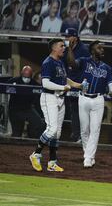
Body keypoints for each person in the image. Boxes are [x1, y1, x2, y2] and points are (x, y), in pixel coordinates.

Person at [29, 38, 81, 172]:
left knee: (57, 134)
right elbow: (45, 83)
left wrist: (76, 85)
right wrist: (63, 87)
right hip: (49, 97)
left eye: (64, 46)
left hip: (59, 99)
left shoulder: (60, 62)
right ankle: (36, 154)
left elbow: (64, 79)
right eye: (61, 46)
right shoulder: (48, 62)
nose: (64, 48)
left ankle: (52, 162)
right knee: (52, 129)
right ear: (54, 48)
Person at [67, 40, 112, 168]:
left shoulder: (106, 67)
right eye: (99, 48)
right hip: (83, 98)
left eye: (102, 48)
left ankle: (88, 158)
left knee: (95, 130)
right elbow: (72, 63)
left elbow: (110, 82)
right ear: (93, 51)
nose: (102, 50)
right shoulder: (84, 61)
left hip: (98, 100)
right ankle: (88, 155)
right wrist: (70, 50)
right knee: (84, 130)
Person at [62, 28, 90, 142]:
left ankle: (82, 136)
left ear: (75, 37)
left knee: (82, 111)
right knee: (73, 110)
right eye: (66, 37)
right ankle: (76, 134)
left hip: (81, 84)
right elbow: (64, 65)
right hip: (70, 82)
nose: (66, 39)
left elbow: (77, 66)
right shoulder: (65, 49)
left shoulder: (83, 49)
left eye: (69, 37)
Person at [7, 66, 45, 138]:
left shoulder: (34, 83)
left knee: (39, 124)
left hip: (28, 108)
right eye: (24, 76)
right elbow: (4, 88)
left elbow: (41, 90)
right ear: (21, 74)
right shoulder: (14, 81)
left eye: (28, 76)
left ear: (31, 75)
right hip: (15, 109)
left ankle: (34, 141)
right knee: (17, 133)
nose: (26, 78)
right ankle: (15, 147)